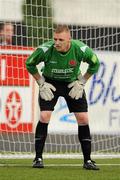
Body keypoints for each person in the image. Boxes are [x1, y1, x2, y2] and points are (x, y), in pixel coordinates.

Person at [26, 25, 100, 170]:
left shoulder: (80, 49)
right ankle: (38, 158)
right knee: (44, 115)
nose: (57, 42)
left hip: (72, 83)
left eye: (61, 39)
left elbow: (95, 63)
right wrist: (41, 82)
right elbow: (29, 63)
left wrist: (82, 82)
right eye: (55, 39)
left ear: (69, 40)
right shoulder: (45, 49)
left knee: (84, 118)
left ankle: (88, 161)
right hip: (50, 83)